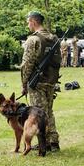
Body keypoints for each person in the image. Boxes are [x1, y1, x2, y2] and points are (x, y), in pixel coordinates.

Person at [21, 11, 61, 152]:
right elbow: (58, 61)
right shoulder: (54, 38)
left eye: (28, 22)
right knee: (48, 111)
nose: (28, 25)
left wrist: (24, 83)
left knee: (37, 114)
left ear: (33, 21)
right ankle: (53, 141)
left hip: (37, 82)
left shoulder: (33, 40)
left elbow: (27, 64)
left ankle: (44, 144)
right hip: (51, 80)